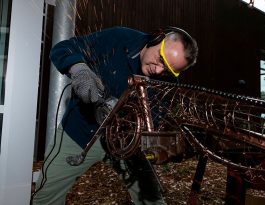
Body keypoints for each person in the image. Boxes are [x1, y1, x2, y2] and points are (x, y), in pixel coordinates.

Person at [32, 26, 198, 205]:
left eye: (167, 70)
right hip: (80, 131)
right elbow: (63, 48)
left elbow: (157, 118)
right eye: (160, 59)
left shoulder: (167, 83)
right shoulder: (119, 39)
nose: (158, 71)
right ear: (157, 39)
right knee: (46, 196)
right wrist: (79, 68)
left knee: (152, 200)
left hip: (127, 142)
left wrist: (159, 144)